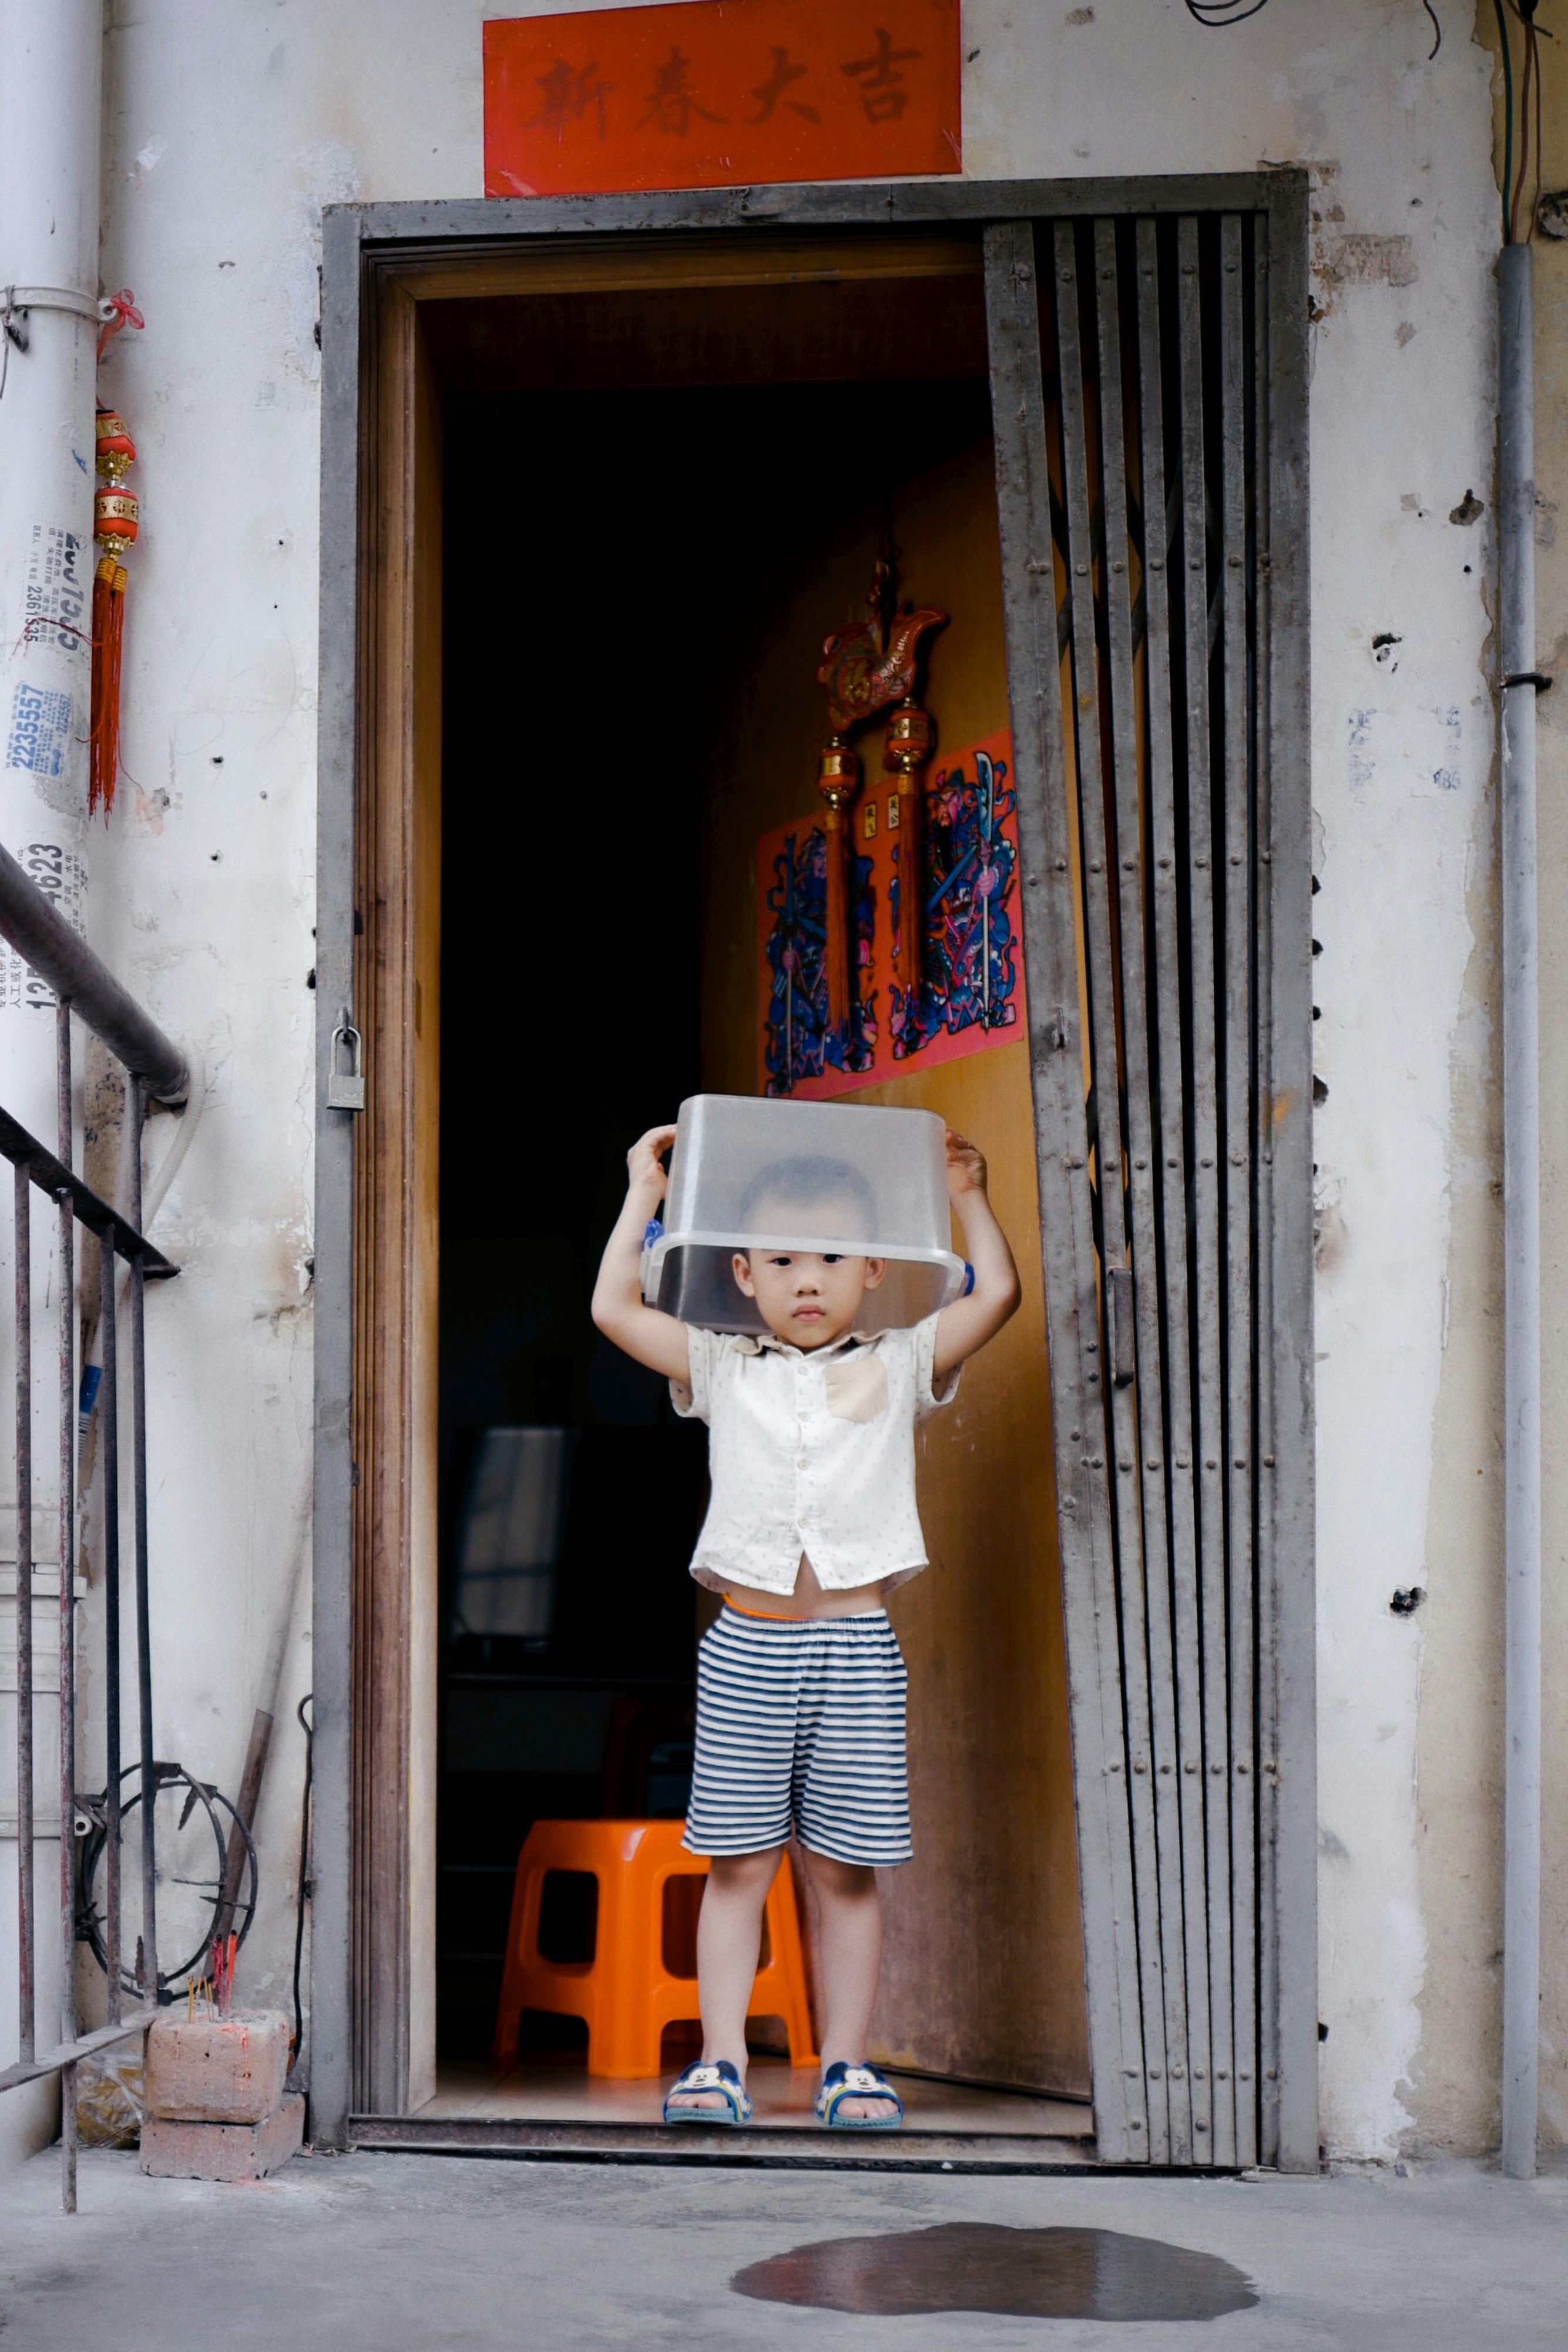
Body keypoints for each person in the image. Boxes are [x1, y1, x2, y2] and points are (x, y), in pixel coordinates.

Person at [590, 1120, 1020, 2128]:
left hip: (856, 1651)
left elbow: (994, 1295)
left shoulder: (904, 1360)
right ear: (742, 1274)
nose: (807, 1279)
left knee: (845, 1872)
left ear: (874, 1270)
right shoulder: (718, 1363)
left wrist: (967, 1194)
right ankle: (721, 2063)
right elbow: (613, 1304)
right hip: (746, 1646)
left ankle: (847, 2066)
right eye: (781, 1260)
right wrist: (641, 1194)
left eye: (830, 1258)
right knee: (736, 1865)